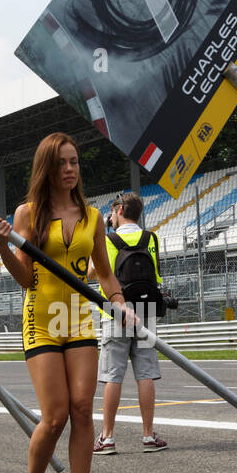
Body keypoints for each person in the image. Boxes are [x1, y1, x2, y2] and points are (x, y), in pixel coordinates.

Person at [0, 131, 133, 473]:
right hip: (42, 320)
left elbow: (104, 273)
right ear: (47, 168)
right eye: (63, 163)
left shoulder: (91, 217)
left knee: (83, 409)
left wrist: (120, 301)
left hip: (79, 321)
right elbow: (25, 279)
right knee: (54, 417)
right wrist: (2, 246)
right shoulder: (26, 215)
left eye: (74, 162)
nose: (70, 169)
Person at [90, 192, 168, 455]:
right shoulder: (151, 237)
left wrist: (97, 238)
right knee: (145, 373)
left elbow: (92, 271)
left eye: (112, 212)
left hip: (116, 310)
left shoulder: (109, 239)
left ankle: (107, 437)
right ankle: (148, 436)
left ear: (120, 209)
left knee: (113, 375)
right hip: (146, 309)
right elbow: (155, 273)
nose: (110, 217)